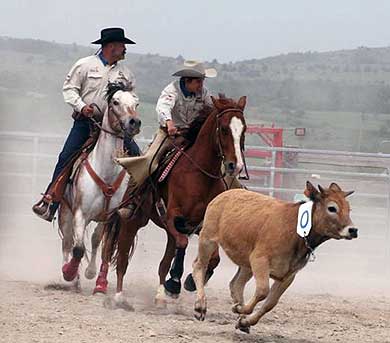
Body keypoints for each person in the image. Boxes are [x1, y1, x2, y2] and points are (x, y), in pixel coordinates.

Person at [32, 27, 140, 222]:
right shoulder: (84, 65)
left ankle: (132, 203)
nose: (125, 49)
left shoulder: (126, 73)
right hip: (86, 123)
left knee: (138, 158)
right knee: (66, 156)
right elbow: (70, 89)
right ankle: (51, 201)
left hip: (115, 127)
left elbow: (132, 96)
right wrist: (82, 107)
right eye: (122, 45)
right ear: (111, 46)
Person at [118, 60, 217, 190]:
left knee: (218, 161)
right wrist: (169, 123)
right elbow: (163, 107)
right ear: (188, 80)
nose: (201, 85)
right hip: (169, 134)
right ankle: (133, 195)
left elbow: (212, 107)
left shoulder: (203, 93)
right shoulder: (172, 90)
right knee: (148, 161)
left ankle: (233, 190)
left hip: (193, 134)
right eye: (198, 81)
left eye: (202, 81)